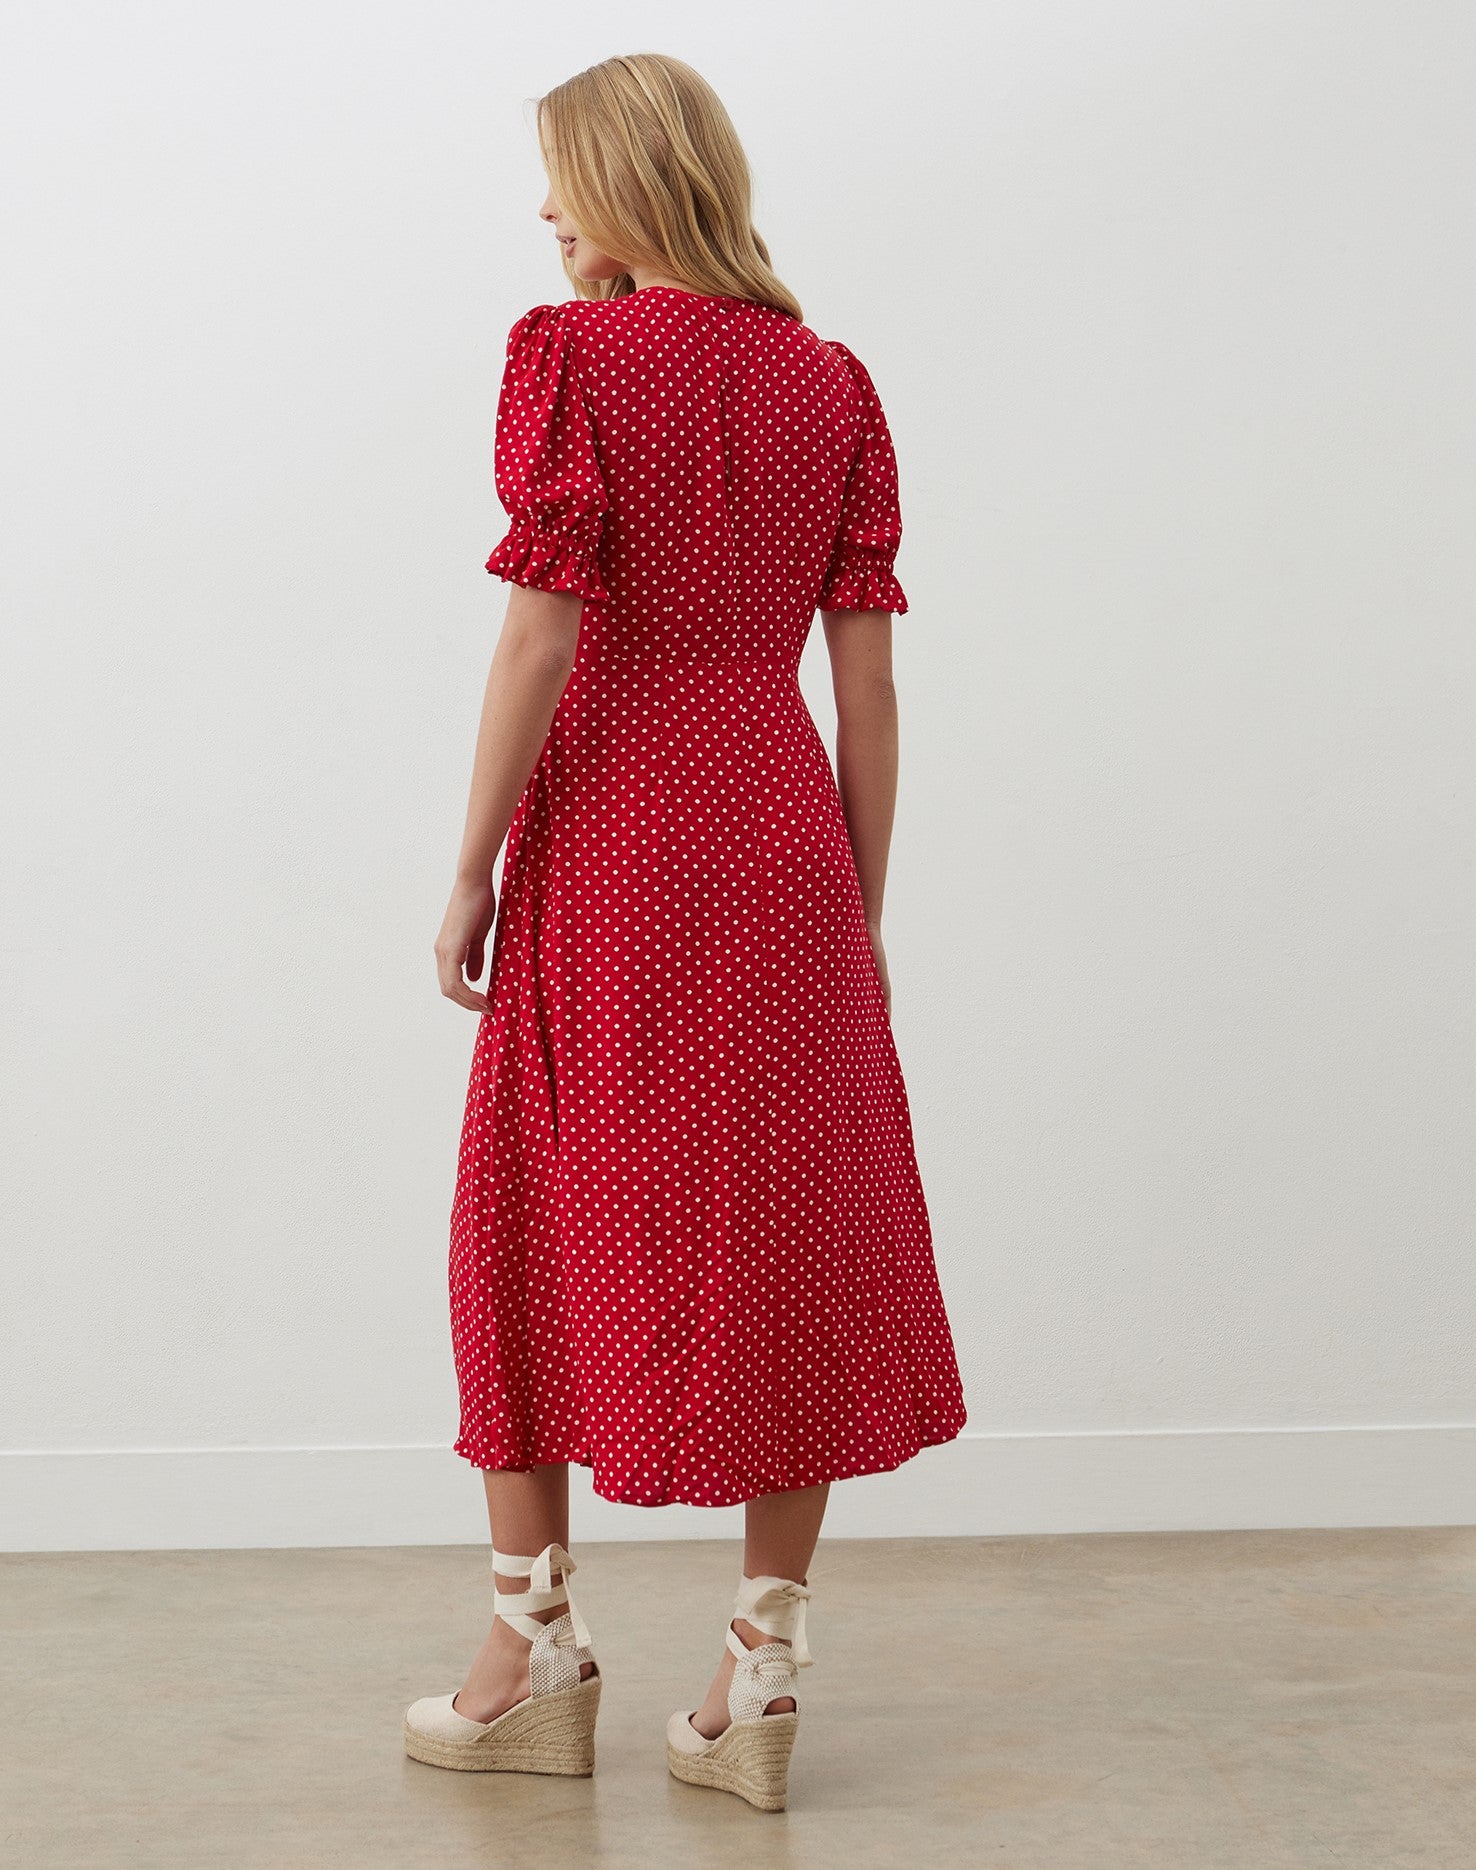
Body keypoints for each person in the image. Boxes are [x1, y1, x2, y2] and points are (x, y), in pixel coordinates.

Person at [409, 52, 967, 1812]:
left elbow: (539, 642)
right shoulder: (833, 383)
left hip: (619, 830)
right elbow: (867, 689)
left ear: (628, 182)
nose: (547, 212)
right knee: (787, 1220)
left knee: (532, 1191)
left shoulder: (566, 359)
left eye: (563, 179)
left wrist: (471, 861)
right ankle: (762, 1668)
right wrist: (854, 914)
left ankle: (528, 1651)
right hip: (785, 836)